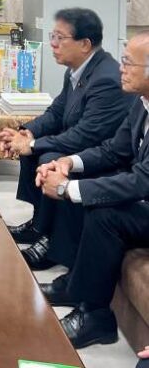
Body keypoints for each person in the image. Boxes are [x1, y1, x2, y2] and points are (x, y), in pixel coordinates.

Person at [34, 32, 149, 349]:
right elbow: (114, 150)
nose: (121, 68)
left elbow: (141, 181)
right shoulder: (141, 104)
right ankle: (76, 283)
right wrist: (67, 163)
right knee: (87, 186)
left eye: (128, 62)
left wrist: (68, 188)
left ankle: (96, 318)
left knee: (104, 212)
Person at [0, 8, 131, 270]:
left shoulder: (106, 79)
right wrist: (26, 133)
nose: (53, 44)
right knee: (36, 149)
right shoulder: (76, 70)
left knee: (47, 156)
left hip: (105, 155)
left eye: (60, 38)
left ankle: (51, 241)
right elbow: (57, 112)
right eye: (52, 36)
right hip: (84, 144)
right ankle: (40, 225)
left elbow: (86, 135)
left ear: (85, 44)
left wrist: (31, 144)